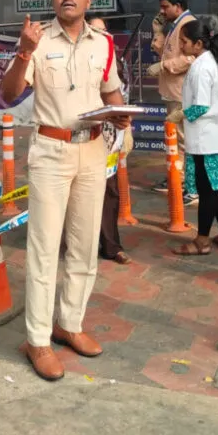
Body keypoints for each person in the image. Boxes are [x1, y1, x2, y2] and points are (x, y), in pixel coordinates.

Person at [0, 0, 130, 381]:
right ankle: (37, 340)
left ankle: (69, 324)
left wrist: (122, 119)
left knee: (85, 245)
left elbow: (111, 91)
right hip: (51, 152)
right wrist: (24, 51)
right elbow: (8, 94)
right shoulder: (36, 40)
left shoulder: (103, 44)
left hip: (92, 152)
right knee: (43, 249)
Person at [172, 20, 218, 256]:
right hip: (215, 135)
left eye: (184, 42)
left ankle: (202, 241)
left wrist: (180, 114)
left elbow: (200, 107)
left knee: (207, 190)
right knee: (214, 187)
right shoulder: (215, 61)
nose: (181, 46)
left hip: (206, 138)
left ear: (198, 44)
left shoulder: (201, 67)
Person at [148, 0, 198, 204]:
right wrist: (157, 32)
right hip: (173, 91)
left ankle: (189, 184)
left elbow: (192, 57)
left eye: (165, 7)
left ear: (178, 6)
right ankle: (176, 178)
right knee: (175, 139)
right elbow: (165, 53)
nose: (162, 12)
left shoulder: (187, 24)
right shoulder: (176, 25)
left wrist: (163, 66)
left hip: (182, 92)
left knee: (184, 140)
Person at [89, 16, 132, 266]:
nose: (101, 36)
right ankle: (79, 243)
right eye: (95, 31)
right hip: (84, 134)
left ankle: (111, 245)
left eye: (104, 31)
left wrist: (126, 127)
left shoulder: (117, 61)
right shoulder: (80, 60)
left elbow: (123, 95)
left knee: (110, 191)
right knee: (81, 193)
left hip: (111, 137)